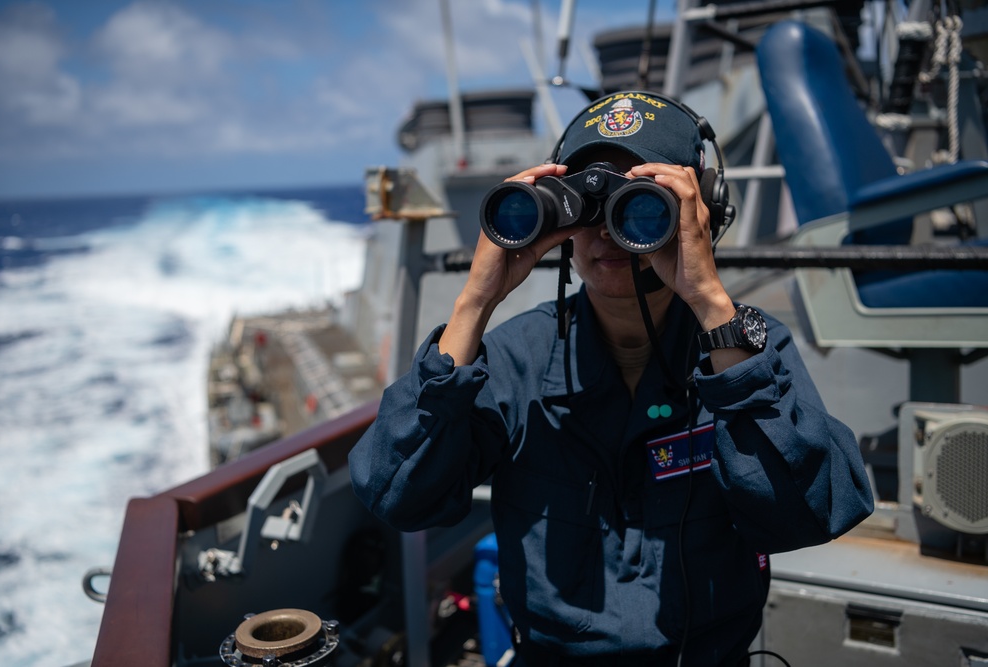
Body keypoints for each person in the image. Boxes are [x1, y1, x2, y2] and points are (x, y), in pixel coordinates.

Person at [349, 90, 874, 666]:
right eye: (583, 207)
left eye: (641, 203)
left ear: (705, 212)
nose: (607, 232)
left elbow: (815, 511)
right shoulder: (515, 358)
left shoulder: (745, 346)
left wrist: (711, 303)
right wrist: (477, 300)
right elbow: (396, 495)